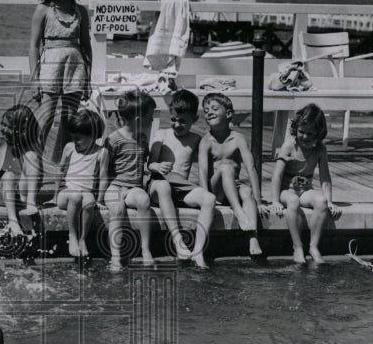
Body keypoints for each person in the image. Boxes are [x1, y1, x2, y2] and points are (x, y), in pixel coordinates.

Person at [29, 0, 93, 165]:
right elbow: (33, 46)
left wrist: (88, 78)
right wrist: (34, 79)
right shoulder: (44, 10)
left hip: (75, 68)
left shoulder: (80, 11)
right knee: (44, 119)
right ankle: (33, 167)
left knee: (68, 121)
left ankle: (61, 170)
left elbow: (86, 46)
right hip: (50, 67)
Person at [147, 90, 216, 268]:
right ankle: (178, 241)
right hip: (158, 186)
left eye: (183, 121)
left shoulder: (196, 139)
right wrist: (157, 166)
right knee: (163, 186)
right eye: (173, 119)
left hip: (181, 191)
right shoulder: (162, 135)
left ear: (194, 119)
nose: (177, 124)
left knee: (209, 198)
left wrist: (205, 187)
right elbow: (149, 165)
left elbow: (204, 166)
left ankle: (198, 252)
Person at [268, 103, 342, 263]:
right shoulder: (289, 146)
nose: (305, 137)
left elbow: (325, 178)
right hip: (286, 190)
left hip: (305, 191)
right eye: (302, 132)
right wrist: (274, 200)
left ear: (318, 134)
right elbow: (276, 176)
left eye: (310, 134)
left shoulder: (320, 150)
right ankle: (297, 246)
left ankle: (314, 246)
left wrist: (330, 202)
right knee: (293, 201)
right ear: (295, 129)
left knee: (321, 201)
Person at [198, 93, 264, 257]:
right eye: (206, 111)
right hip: (216, 191)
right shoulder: (206, 141)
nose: (209, 113)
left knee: (247, 192)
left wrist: (259, 199)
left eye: (214, 109)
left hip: (233, 187)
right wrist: (205, 198)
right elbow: (203, 171)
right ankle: (239, 213)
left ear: (228, 114)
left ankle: (253, 237)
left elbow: (251, 167)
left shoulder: (238, 139)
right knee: (226, 168)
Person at [104, 89, 156, 270]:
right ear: (138, 120)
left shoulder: (142, 138)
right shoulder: (113, 140)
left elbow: (145, 162)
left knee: (144, 200)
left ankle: (145, 249)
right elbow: (103, 169)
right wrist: (99, 194)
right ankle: (116, 256)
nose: (152, 121)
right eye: (150, 117)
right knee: (117, 208)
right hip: (115, 186)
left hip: (133, 188)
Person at [54, 107, 109, 258]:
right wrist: (54, 195)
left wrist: (100, 199)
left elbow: (103, 177)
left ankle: (83, 238)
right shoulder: (70, 148)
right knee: (76, 196)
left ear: (93, 136)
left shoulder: (101, 152)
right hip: (66, 192)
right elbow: (60, 171)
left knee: (89, 201)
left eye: (79, 138)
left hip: (86, 193)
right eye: (73, 137)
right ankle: (72, 235)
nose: (75, 141)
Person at [0, 104, 43, 236]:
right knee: (9, 175)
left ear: (22, 130)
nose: (4, 129)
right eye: (3, 125)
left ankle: (31, 202)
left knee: (32, 156)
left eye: (9, 127)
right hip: (5, 195)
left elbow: (38, 174)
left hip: (23, 195)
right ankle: (13, 221)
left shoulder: (32, 147)